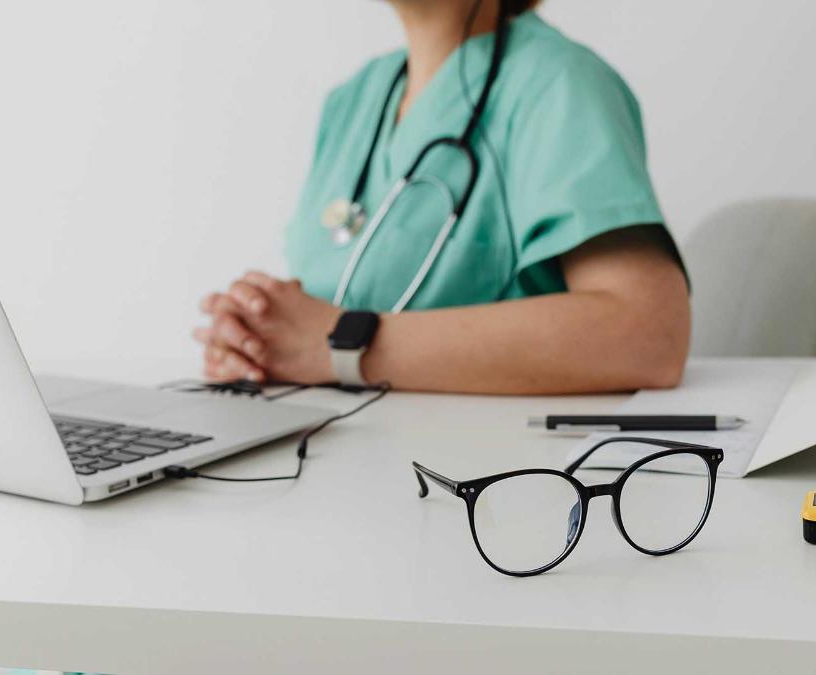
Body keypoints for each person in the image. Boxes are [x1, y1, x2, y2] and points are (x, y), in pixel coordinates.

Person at [195, 0, 691, 395]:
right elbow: (332, 303)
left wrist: (341, 344)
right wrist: (259, 340)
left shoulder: (559, 84)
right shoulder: (353, 99)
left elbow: (648, 336)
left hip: (487, 484)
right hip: (338, 461)